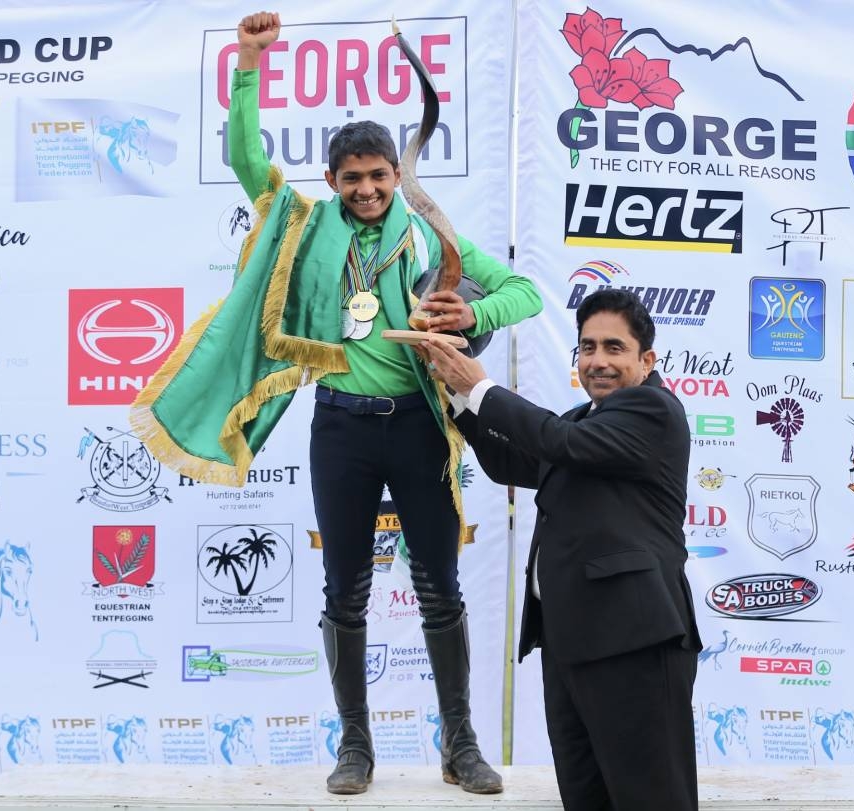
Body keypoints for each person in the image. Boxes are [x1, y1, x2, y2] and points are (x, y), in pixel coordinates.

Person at [130, 10, 542, 796]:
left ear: (395, 174)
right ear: (332, 182)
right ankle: (355, 745)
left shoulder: (432, 238)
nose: (367, 189)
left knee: (439, 586)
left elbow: (526, 291)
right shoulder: (305, 227)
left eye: (379, 175)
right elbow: (246, 158)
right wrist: (248, 64)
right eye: (352, 178)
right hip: (342, 431)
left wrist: (470, 311)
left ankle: (460, 744)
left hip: (420, 428)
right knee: (345, 589)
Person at [422, 288, 701, 811]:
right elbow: (510, 462)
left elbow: (555, 442)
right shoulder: (583, 421)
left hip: (634, 644)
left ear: (647, 360)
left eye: (614, 347)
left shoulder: (653, 410)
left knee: (651, 799)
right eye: (587, 347)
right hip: (572, 644)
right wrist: (455, 393)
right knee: (584, 798)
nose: (597, 360)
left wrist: (480, 386)